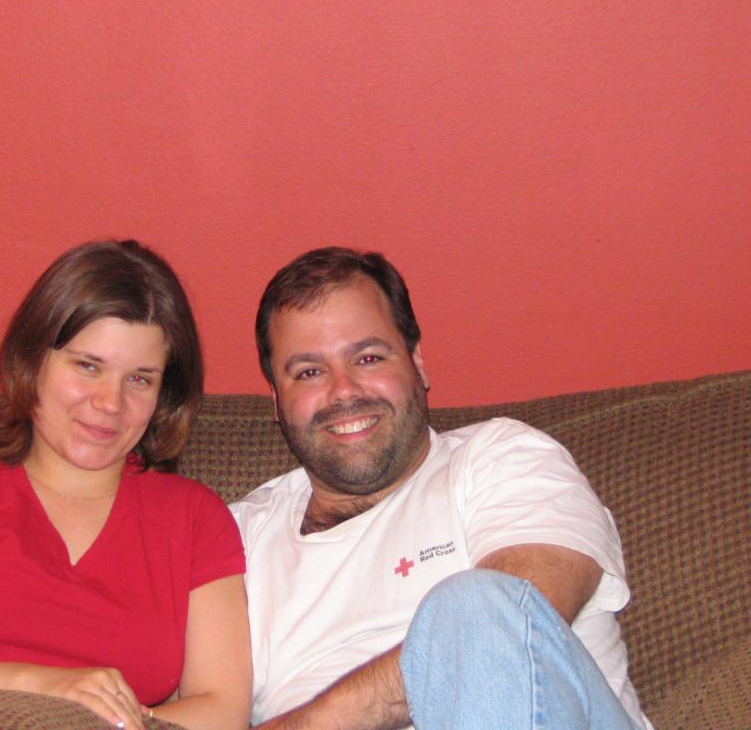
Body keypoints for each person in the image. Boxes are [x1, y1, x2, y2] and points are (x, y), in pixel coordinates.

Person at [230, 247, 651, 730]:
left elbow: (515, 619)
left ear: (417, 364)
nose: (343, 390)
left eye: (368, 358)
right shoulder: (236, 538)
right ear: (276, 401)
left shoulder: (502, 457)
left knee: (475, 605)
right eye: (309, 372)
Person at [0, 239, 251, 730]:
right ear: (32, 359)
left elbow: (222, 709)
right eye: (88, 366)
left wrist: (107, 721)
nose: (110, 403)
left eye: (140, 379)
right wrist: (50, 690)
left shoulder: (195, 518)